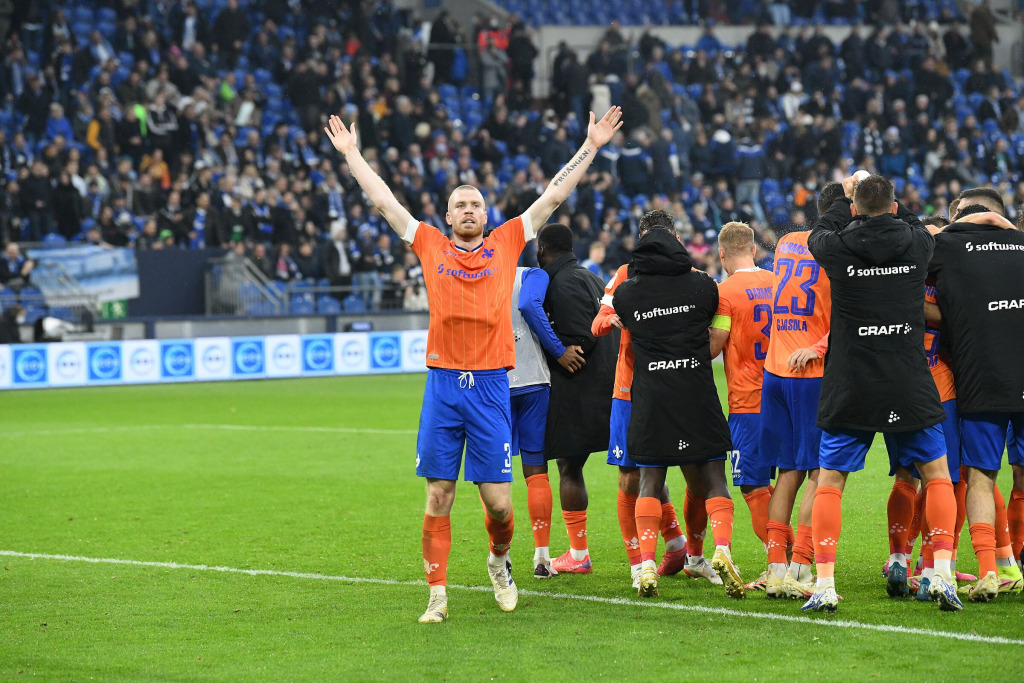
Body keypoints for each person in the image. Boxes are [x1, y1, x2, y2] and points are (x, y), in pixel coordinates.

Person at [323, 107, 622, 623]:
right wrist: (351, 154)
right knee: (438, 494)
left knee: (500, 505)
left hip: (490, 389)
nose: (468, 210)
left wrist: (591, 146)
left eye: (475, 205)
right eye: (460, 204)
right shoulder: (429, 244)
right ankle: (436, 594)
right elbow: (384, 201)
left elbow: (552, 197)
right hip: (444, 386)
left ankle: (499, 562)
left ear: (486, 216)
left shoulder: (506, 243)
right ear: (447, 217)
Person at [803, 173, 962, 613]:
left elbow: (820, 231)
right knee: (937, 474)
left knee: (831, 481)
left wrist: (846, 199)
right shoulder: (917, 244)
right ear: (894, 206)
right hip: (907, 379)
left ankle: (825, 584)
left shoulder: (837, 246)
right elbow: (912, 221)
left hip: (851, 381)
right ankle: (942, 576)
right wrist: (884, 203)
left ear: (854, 209)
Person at [611, 210, 742, 599]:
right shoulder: (703, 286)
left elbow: (615, 321)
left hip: (652, 396)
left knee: (650, 481)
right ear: (678, 245)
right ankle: (720, 549)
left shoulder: (627, 293)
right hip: (695, 390)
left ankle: (646, 564)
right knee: (713, 479)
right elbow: (714, 331)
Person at [592, 213, 706, 591]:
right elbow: (599, 319)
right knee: (633, 478)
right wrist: (611, 320)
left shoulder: (690, 275)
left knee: (696, 475)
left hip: (678, 388)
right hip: (631, 390)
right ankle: (641, 563)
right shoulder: (626, 274)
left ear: (675, 238)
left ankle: (690, 552)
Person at [928, 190, 1024, 602]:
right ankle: (1013, 563)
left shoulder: (948, 247)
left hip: (981, 379)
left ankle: (988, 572)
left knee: (982, 477)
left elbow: (909, 256)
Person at [759, 182, 838, 600]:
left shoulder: (788, 242)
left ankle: (775, 568)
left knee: (787, 470)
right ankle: (802, 566)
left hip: (775, 369)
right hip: (811, 372)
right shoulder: (838, 251)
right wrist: (820, 347)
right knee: (819, 472)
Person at [535, 222, 618, 575]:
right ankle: (675, 541)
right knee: (637, 465)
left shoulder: (562, 283)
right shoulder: (590, 277)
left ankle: (579, 553)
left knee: (568, 467)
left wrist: (555, 351)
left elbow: (580, 339)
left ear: (542, 250)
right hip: (613, 384)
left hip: (581, 388)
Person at [708, 222, 775, 590]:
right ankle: (797, 559)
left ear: (722, 255)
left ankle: (781, 562)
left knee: (752, 485)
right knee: (790, 480)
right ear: (753, 249)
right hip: (785, 396)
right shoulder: (778, 282)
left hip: (748, 403)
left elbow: (714, 345)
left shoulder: (724, 293)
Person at [507, 265, 584, 578]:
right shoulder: (531, 275)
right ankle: (541, 557)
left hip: (491, 383)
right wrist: (559, 350)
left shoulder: (474, 275)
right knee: (536, 471)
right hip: (533, 382)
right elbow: (529, 305)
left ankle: (500, 554)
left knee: (494, 474)